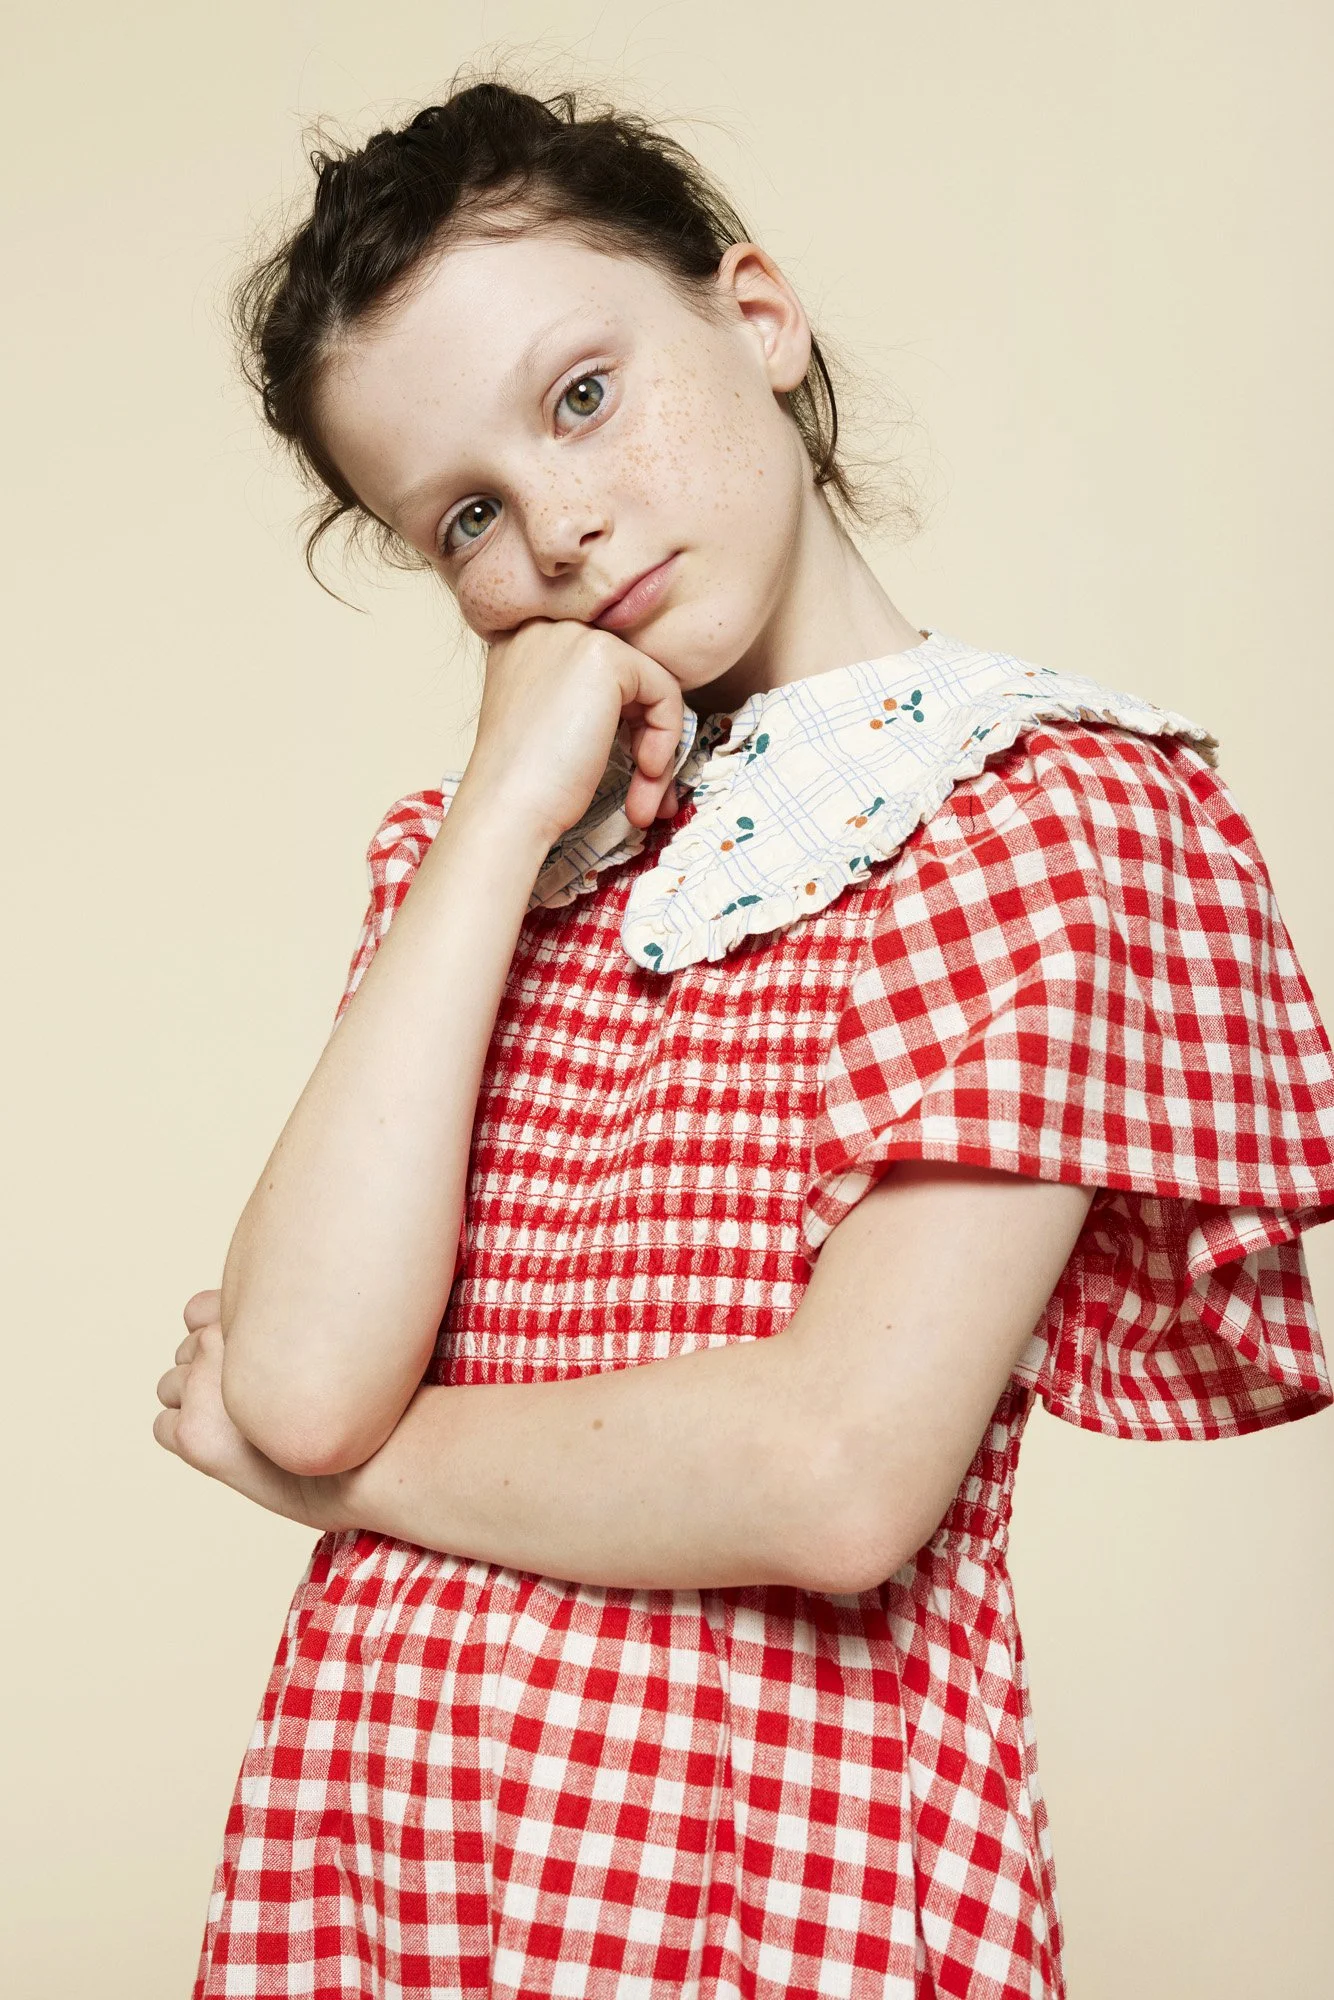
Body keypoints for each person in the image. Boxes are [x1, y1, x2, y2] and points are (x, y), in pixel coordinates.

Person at [152, 72, 1334, 2000]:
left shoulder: (1035, 814)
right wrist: (493, 822)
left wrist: (344, 1483)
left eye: (581, 395)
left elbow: (831, 1476)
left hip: (764, 1867)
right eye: (465, 516)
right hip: (376, 1858)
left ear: (755, 315)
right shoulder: (479, 869)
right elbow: (292, 1375)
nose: (557, 526)